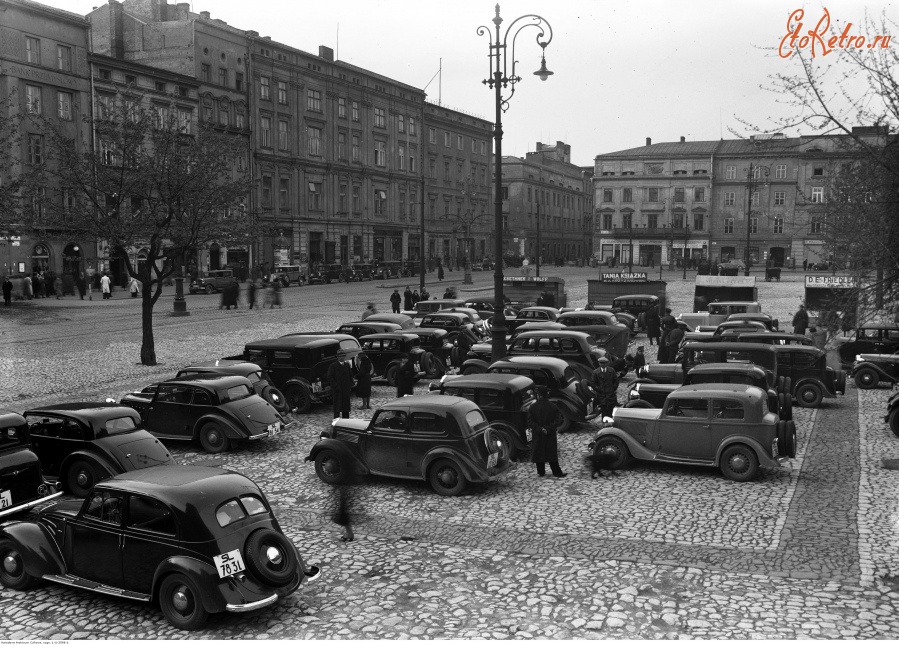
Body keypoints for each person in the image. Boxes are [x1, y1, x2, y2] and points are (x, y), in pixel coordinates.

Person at [527, 387, 566, 478]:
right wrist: (547, 429)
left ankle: (541, 471)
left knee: (538, 451)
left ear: (539, 395)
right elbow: (558, 420)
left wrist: (539, 429)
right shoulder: (553, 406)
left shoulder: (533, 407)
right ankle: (556, 472)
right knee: (551, 452)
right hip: (550, 434)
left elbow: (530, 422)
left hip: (538, 434)